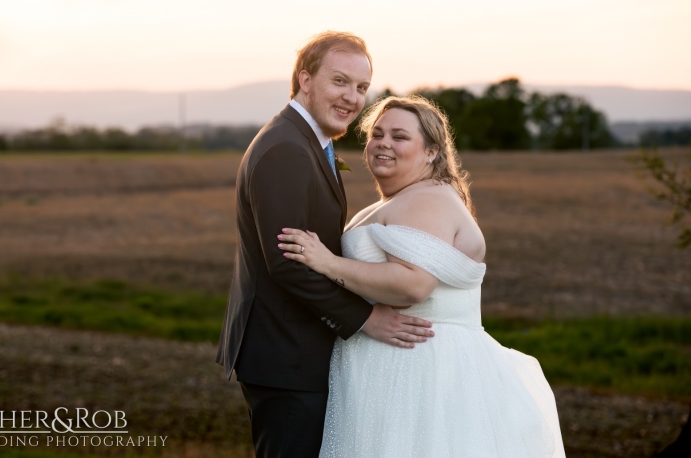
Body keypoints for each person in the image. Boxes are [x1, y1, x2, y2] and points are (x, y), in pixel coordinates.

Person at [277, 95, 566, 457]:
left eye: (399, 136)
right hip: (396, 363)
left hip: (419, 369)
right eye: (377, 134)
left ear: (431, 151)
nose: (384, 143)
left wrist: (327, 262)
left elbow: (412, 284)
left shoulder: (425, 199)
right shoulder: (405, 198)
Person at [215, 32, 435, 458]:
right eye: (340, 82)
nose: (352, 97)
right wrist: (365, 318)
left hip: (297, 350)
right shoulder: (286, 149)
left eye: (361, 87)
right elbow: (288, 263)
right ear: (305, 80)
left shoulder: (305, 142)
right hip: (287, 356)